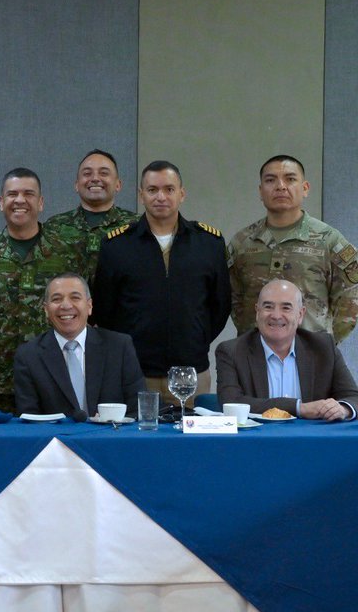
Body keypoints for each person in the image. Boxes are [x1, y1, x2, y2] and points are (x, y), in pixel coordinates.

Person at [92, 160, 230, 403]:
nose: (161, 197)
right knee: (137, 438)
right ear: (141, 195)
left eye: (169, 189)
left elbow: (220, 305)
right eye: (152, 190)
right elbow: (104, 311)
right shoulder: (117, 245)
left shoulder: (208, 243)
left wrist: (194, 336)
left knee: (191, 439)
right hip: (135, 372)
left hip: (191, 372)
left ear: (182, 194)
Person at [0, 167, 87, 414]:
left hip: (53, 375)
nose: (20, 200)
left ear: (41, 202)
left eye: (28, 193)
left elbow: (82, 307)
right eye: (12, 194)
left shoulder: (65, 254)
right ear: (1, 202)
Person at [227, 155, 358, 342]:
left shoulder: (329, 240)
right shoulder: (242, 243)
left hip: (312, 356)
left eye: (290, 179)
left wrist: (322, 341)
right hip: (254, 355)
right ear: (261, 191)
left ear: (305, 188)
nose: (280, 186)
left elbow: (350, 299)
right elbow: (233, 298)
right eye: (271, 180)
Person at [216, 279, 358, 421]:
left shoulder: (323, 347)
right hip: (257, 439)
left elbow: (353, 397)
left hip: (311, 440)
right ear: (257, 312)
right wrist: (299, 408)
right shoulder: (231, 351)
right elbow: (230, 403)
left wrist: (342, 409)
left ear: (300, 315)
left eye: (286, 308)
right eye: (268, 307)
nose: (276, 315)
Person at [13, 272, 145, 418]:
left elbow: (137, 410)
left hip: (110, 437)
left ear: (89, 306)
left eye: (75, 298)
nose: (66, 305)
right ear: (46, 309)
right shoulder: (28, 355)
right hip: (54, 439)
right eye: (57, 299)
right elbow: (29, 419)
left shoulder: (119, 347)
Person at [43, 149, 138, 280]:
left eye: (104, 173)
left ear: (118, 185)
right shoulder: (54, 226)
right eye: (87, 173)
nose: (95, 179)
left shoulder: (136, 225)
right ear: (76, 185)